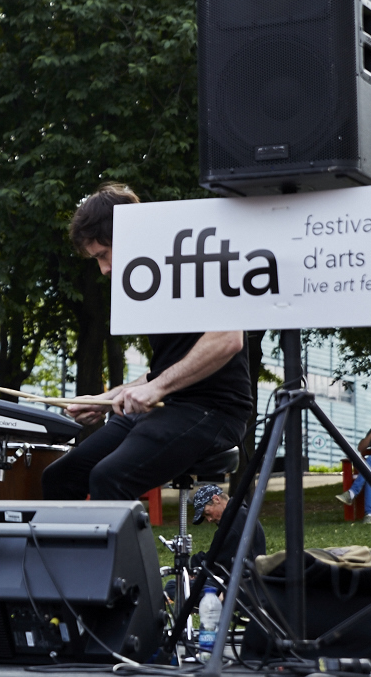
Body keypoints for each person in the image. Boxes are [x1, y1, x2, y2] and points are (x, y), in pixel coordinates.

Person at [41, 183, 253, 502]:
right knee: (61, 476)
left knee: (109, 478)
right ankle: (67, 554)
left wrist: (156, 389)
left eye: (103, 255)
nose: (104, 269)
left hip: (215, 409)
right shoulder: (151, 284)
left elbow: (228, 339)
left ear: (128, 234)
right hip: (170, 407)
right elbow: (164, 371)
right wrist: (106, 398)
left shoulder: (198, 257)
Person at [190, 484, 266, 574]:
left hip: (241, 583)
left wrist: (194, 562)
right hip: (248, 579)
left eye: (207, 513)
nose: (209, 519)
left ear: (216, 499)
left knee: (172, 585)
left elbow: (215, 562)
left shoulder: (234, 523)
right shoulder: (240, 514)